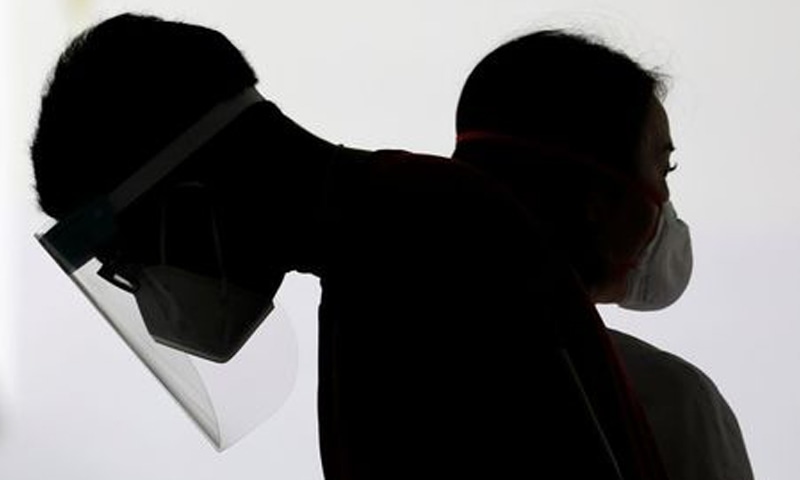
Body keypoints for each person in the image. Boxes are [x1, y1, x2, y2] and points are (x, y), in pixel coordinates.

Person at [30, 14, 666, 480]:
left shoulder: (415, 254)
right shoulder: (386, 237)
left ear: (188, 201)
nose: (146, 294)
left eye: (132, 266)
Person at [453, 29, 755, 480]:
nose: (664, 199)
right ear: (600, 201)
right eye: (662, 168)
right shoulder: (672, 403)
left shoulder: (394, 369)